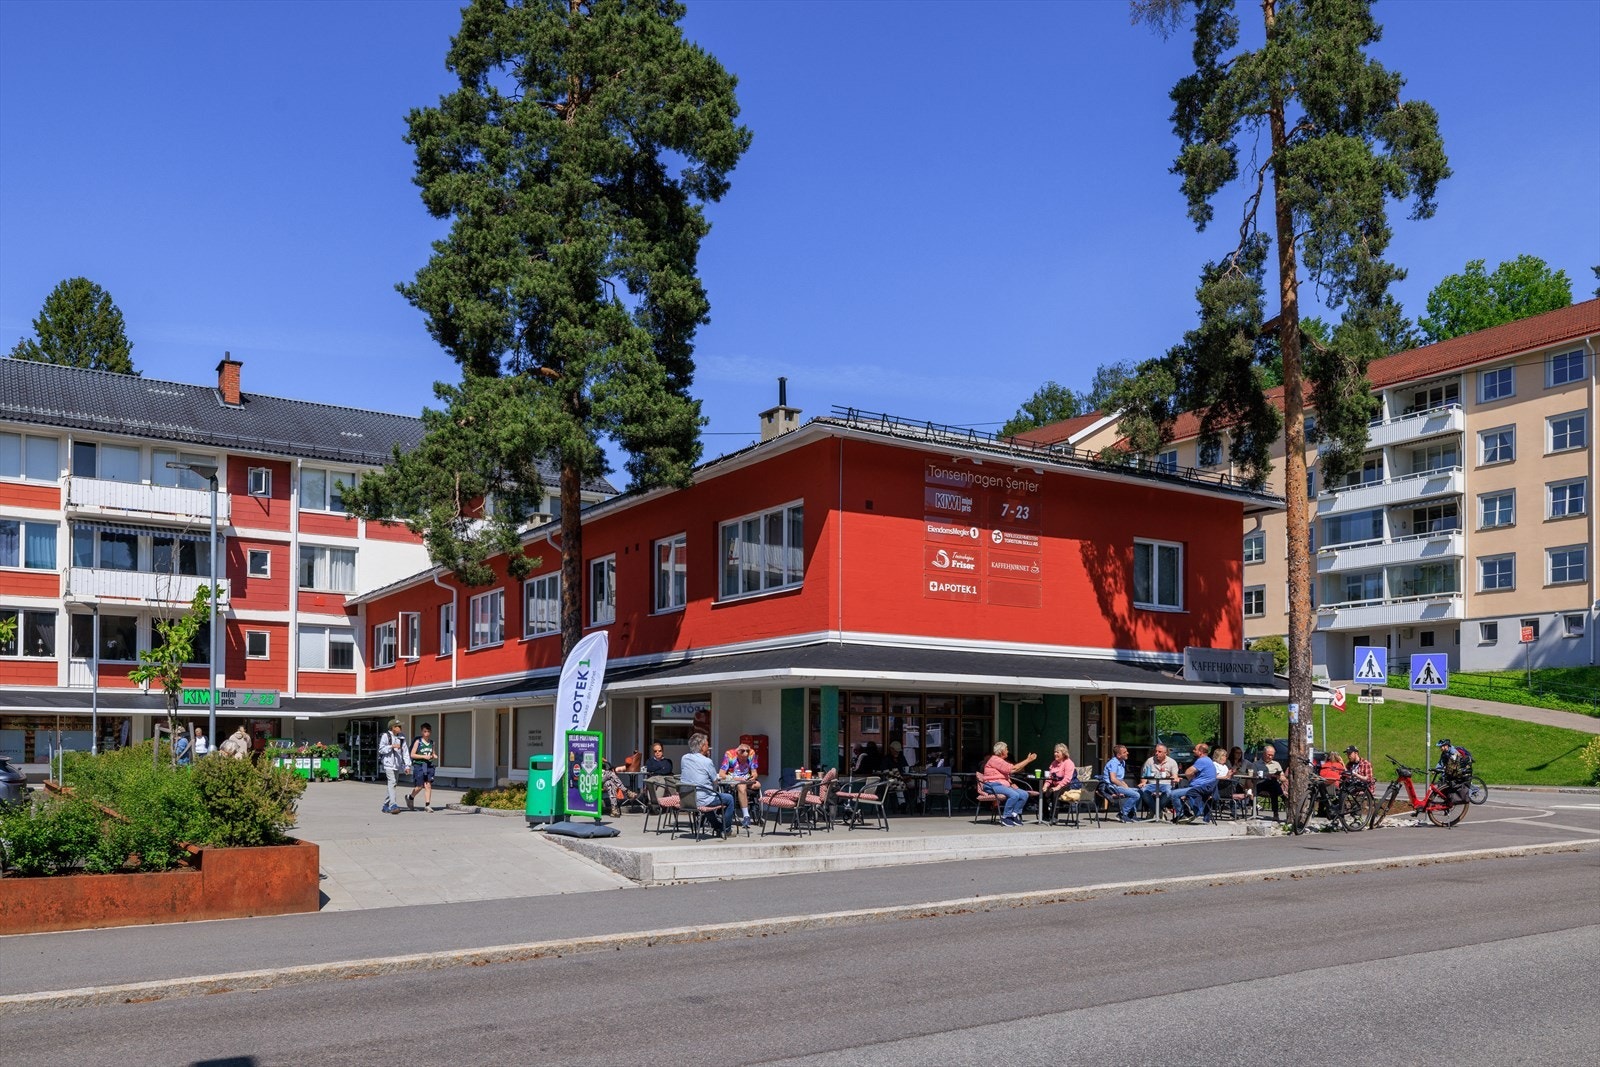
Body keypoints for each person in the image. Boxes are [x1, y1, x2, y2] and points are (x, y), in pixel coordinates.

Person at [680, 732, 734, 838]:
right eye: (707, 745)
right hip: (702, 799)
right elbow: (715, 780)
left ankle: (717, 827)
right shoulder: (707, 761)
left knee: (707, 797)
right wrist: (707, 758)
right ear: (702, 746)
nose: (708, 747)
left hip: (687, 799)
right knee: (729, 798)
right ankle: (726, 830)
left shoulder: (684, 758)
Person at [979, 741, 1036, 826]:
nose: (1008, 751)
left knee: (1024, 794)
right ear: (1002, 751)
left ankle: (1014, 815)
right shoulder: (995, 760)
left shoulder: (1001, 761)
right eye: (1006, 749)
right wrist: (1028, 760)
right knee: (1014, 795)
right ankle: (1006, 817)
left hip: (1003, 785)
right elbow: (1013, 769)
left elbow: (1010, 771)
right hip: (992, 785)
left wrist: (1010, 782)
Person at [1169, 741, 1217, 822]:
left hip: (1198, 788)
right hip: (1205, 788)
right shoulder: (1208, 760)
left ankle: (1182, 815)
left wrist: (1191, 780)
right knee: (1180, 790)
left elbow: (1188, 772)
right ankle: (1186, 812)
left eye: (1195, 749)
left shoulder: (1202, 760)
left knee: (1173, 794)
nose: (1193, 751)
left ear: (1200, 752)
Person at [719, 742, 762, 828]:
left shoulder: (752, 754)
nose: (744, 760)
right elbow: (721, 774)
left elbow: (755, 773)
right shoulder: (729, 755)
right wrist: (737, 779)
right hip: (733, 780)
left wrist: (753, 777)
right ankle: (746, 816)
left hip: (746, 779)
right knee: (741, 786)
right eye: (742, 758)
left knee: (758, 785)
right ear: (737, 753)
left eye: (745, 758)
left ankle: (744, 794)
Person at [379, 719, 410, 814]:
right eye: (398, 726)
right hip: (388, 764)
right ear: (392, 728)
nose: (400, 728)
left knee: (393, 784)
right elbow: (381, 749)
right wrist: (391, 746)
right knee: (392, 783)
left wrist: (407, 765)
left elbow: (405, 752)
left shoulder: (402, 737)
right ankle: (393, 805)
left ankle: (385, 805)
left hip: (397, 764)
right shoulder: (386, 736)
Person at [1103, 744, 1141, 822]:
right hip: (1111, 787)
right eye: (1125, 752)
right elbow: (1113, 779)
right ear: (1119, 755)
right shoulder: (1113, 763)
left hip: (1118, 786)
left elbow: (1120, 779)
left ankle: (1131, 814)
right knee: (1135, 795)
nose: (1127, 753)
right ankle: (1122, 814)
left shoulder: (1122, 762)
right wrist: (1125, 787)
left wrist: (1126, 786)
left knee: (1140, 791)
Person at [1139, 743, 1179, 816]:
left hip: (1166, 784)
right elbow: (1144, 776)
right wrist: (1143, 782)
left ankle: (1153, 811)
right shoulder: (1150, 761)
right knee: (1143, 791)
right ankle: (1159, 812)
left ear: (1165, 753)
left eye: (1159, 752)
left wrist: (1175, 779)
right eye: (1156, 751)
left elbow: (1175, 775)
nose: (1156, 753)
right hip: (1152, 784)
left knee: (1169, 792)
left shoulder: (1172, 762)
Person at [1041, 743, 1078, 822]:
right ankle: (1046, 816)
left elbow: (1067, 779)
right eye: (1055, 752)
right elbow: (1050, 777)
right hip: (1055, 785)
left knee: (1056, 793)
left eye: (1057, 752)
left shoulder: (1068, 763)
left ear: (1063, 753)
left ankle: (1054, 817)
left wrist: (1057, 787)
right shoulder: (1053, 763)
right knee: (1044, 793)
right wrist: (1045, 785)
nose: (1055, 754)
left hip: (1067, 785)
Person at [406, 722, 437, 811]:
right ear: (422, 732)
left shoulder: (432, 742)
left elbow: (433, 753)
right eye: (425, 731)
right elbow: (412, 754)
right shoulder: (418, 742)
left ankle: (427, 805)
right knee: (419, 786)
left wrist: (434, 755)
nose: (426, 733)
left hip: (429, 765)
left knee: (428, 785)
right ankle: (410, 797)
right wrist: (423, 756)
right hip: (419, 765)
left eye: (428, 731)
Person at [1256, 744, 1286, 821]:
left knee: (1273, 786)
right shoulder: (1256, 764)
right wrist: (1267, 775)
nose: (1270, 757)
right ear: (1263, 754)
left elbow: (1283, 778)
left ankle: (1276, 814)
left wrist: (1278, 777)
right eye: (1268, 755)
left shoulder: (1276, 764)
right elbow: (1253, 776)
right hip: (1260, 784)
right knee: (1273, 784)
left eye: (1272, 755)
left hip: (1273, 785)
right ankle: (1283, 798)